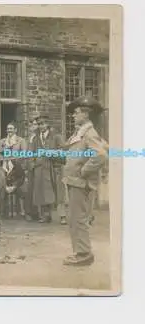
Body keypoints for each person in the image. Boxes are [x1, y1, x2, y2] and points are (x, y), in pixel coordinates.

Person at [62, 96, 107, 266]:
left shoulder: (89, 133)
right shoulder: (79, 133)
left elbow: (100, 156)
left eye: (76, 113)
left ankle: (83, 254)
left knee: (78, 218)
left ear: (86, 115)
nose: (73, 116)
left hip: (81, 183)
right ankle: (81, 251)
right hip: (75, 182)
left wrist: (83, 171)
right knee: (75, 218)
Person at [28, 113, 65, 223]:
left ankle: (62, 216)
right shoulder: (35, 139)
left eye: (43, 124)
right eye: (39, 124)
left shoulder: (56, 137)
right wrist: (32, 165)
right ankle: (45, 215)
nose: (41, 126)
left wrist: (52, 153)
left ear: (48, 124)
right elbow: (30, 153)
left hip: (54, 167)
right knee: (42, 192)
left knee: (58, 192)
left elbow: (63, 151)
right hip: (40, 168)